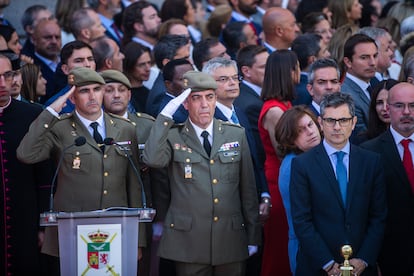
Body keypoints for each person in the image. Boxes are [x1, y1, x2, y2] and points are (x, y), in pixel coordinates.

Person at [16, 67, 146, 273]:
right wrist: (49, 112)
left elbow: (134, 186)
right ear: (72, 97)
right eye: (84, 91)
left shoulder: (125, 128)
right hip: (72, 231)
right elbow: (26, 154)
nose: (92, 96)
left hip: (116, 228)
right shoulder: (59, 128)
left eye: (97, 89)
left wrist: (137, 238)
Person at [143, 70, 261, 276]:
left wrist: (253, 235)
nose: (204, 104)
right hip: (189, 242)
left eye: (209, 97)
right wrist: (165, 115)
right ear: (185, 104)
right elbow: (152, 159)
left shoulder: (235, 133)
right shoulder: (173, 136)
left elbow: (248, 190)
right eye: (196, 98)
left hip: (230, 238)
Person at [290, 92, 387, 275]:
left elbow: (378, 216)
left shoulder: (371, 162)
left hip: (361, 266)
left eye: (343, 120)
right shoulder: (302, 165)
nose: (337, 127)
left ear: (353, 122)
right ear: (320, 122)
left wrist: (363, 259)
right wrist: (327, 263)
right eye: (330, 121)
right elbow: (302, 221)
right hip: (318, 266)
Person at [100, 69, 166, 276]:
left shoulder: (147, 125)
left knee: (141, 267)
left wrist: (161, 217)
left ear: (130, 94)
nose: (117, 95)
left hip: (144, 210)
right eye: (109, 90)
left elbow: (160, 176)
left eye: (122, 90)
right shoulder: (94, 127)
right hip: (105, 209)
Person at [0, 54, 52, 275]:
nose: (3, 84)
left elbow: (45, 177)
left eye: (7, 75)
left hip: (26, 220)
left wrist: (43, 226)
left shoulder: (32, 115)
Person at [361, 82, 414, 275]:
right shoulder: (368, 152)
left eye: (413, 105)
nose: (407, 112)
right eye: (399, 106)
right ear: (387, 109)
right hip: (389, 256)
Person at [259, 49, 300, 276]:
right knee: (279, 248)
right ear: (289, 71)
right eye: (297, 67)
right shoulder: (274, 110)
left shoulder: (284, 104)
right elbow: (284, 150)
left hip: (286, 177)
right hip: (280, 182)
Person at [275, 105, 322, 274]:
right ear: (290, 138)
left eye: (310, 125)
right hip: (306, 248)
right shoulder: (293, 166)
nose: (310, 132)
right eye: (301, 130)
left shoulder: (314, 156)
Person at [341, 34, 378, 141]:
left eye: (375, 56)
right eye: (364, 57)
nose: (372, 63)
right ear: (348, 62)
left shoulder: (375, 82)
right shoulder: (346, 95)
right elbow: (361, 139)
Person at [122, 41, 152, 113]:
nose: (148, 69)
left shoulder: (149, 93)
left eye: (149, 63)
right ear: (130, 65)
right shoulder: (124, 94)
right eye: (141, 65)